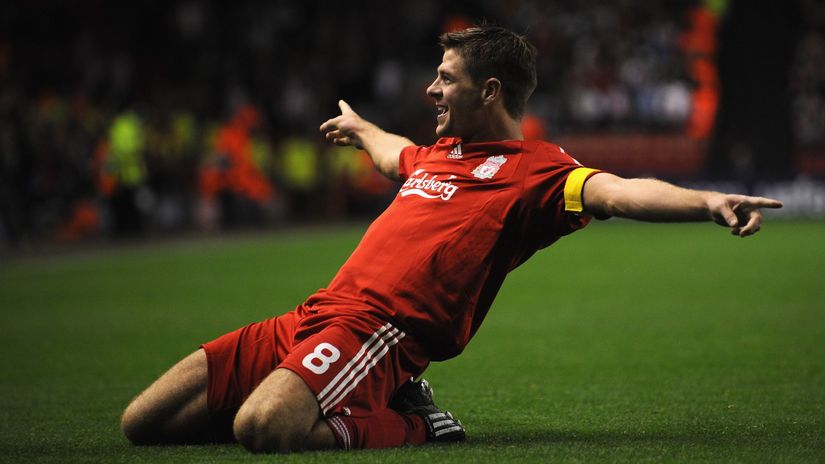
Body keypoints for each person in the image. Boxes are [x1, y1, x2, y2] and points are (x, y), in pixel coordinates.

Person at [120, 25, 783, 454]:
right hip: (313, 316)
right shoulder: (438, 154)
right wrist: (362, 129)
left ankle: (413, 422)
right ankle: (338, 397)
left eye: (445, 79)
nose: (430, 88)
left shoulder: (538, 172)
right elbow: (393, 153)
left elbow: (619, 189)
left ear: (488, 90)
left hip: (376, 333)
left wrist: (704, 200)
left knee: (261, 428)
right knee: (142, 425)